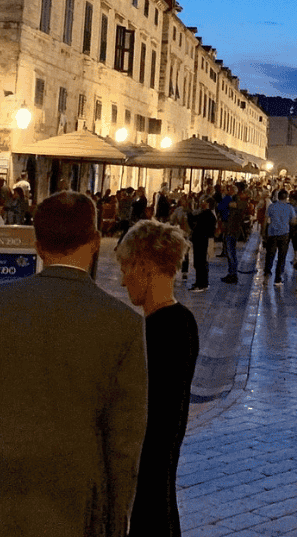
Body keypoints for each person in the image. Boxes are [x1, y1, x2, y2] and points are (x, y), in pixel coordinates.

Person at [0, 191, 147, 537]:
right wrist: (115, 522)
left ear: (38, 245)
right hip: (71, 505)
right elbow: (124, 444)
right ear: (96, 242)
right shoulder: (122, 325)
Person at [115, 219, 199, 537]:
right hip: (162, 459)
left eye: (126, 268)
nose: (123, 280)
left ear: (144, 266)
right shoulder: (182, 321)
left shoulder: (158, 330)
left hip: (148, 461)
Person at [264, 189, 297, 285]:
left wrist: (263, 232)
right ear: (286, 197)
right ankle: (278, 278)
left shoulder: (271, 206)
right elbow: (293, 221)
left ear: (278, 197)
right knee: (282, 256)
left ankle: (266, 275)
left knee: (270, 255)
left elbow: (266, 220)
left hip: (272, 233)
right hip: (284, 234)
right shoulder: (290, 208)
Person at [188, 196, 216, 292]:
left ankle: (201, 284)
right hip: (202, 240)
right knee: (201, 262)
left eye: (203, 201)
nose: (201, 203)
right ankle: (201, 282)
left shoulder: (206, 214)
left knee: (200, 262)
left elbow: (194, 223)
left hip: (201, 241)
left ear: (207, 204)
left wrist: (189, 213)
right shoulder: (208, 214)